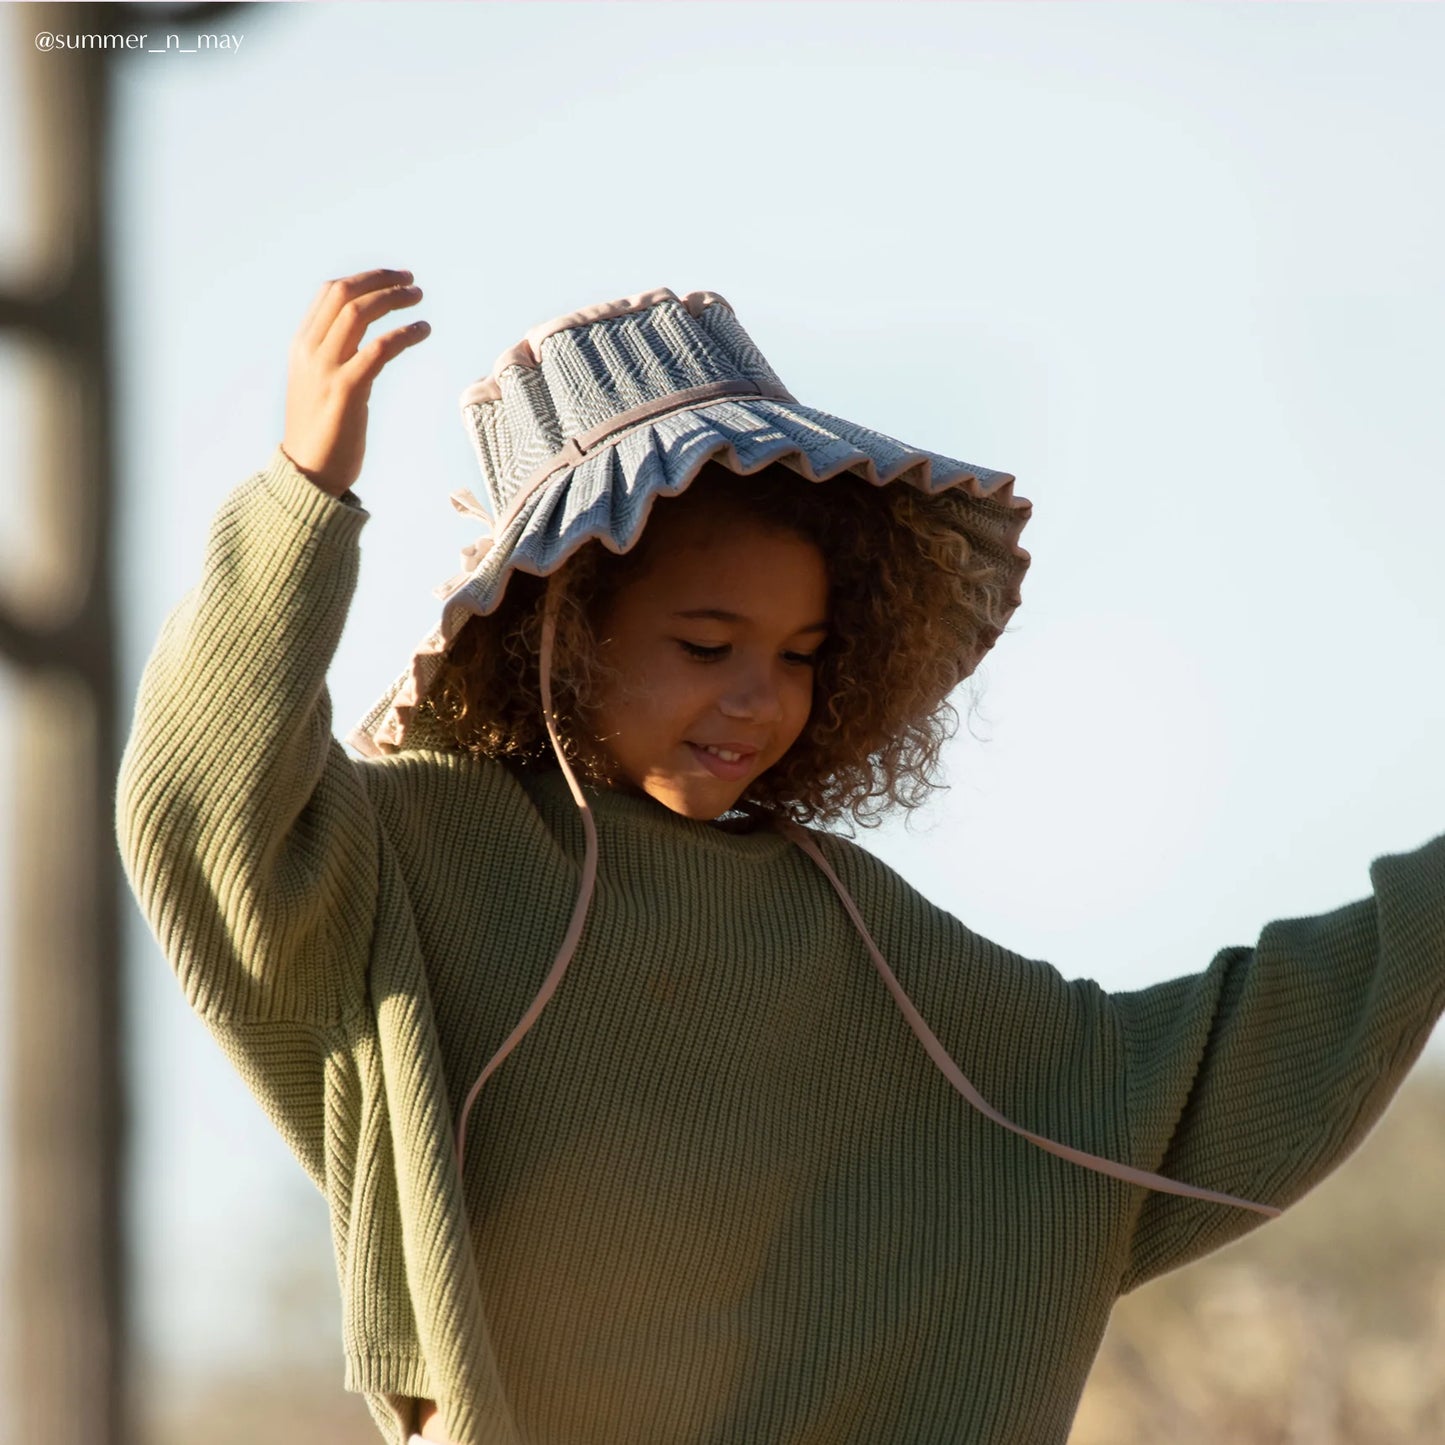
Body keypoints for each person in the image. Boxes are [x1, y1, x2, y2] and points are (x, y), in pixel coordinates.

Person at [115, 270, 1445, 1445]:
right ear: (562, 627)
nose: (758, 699)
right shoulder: (415, 857)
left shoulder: (849, 926)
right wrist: (300, 500)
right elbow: (197, 812)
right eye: (706, 646)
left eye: (799, 657)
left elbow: (1155, 1096)